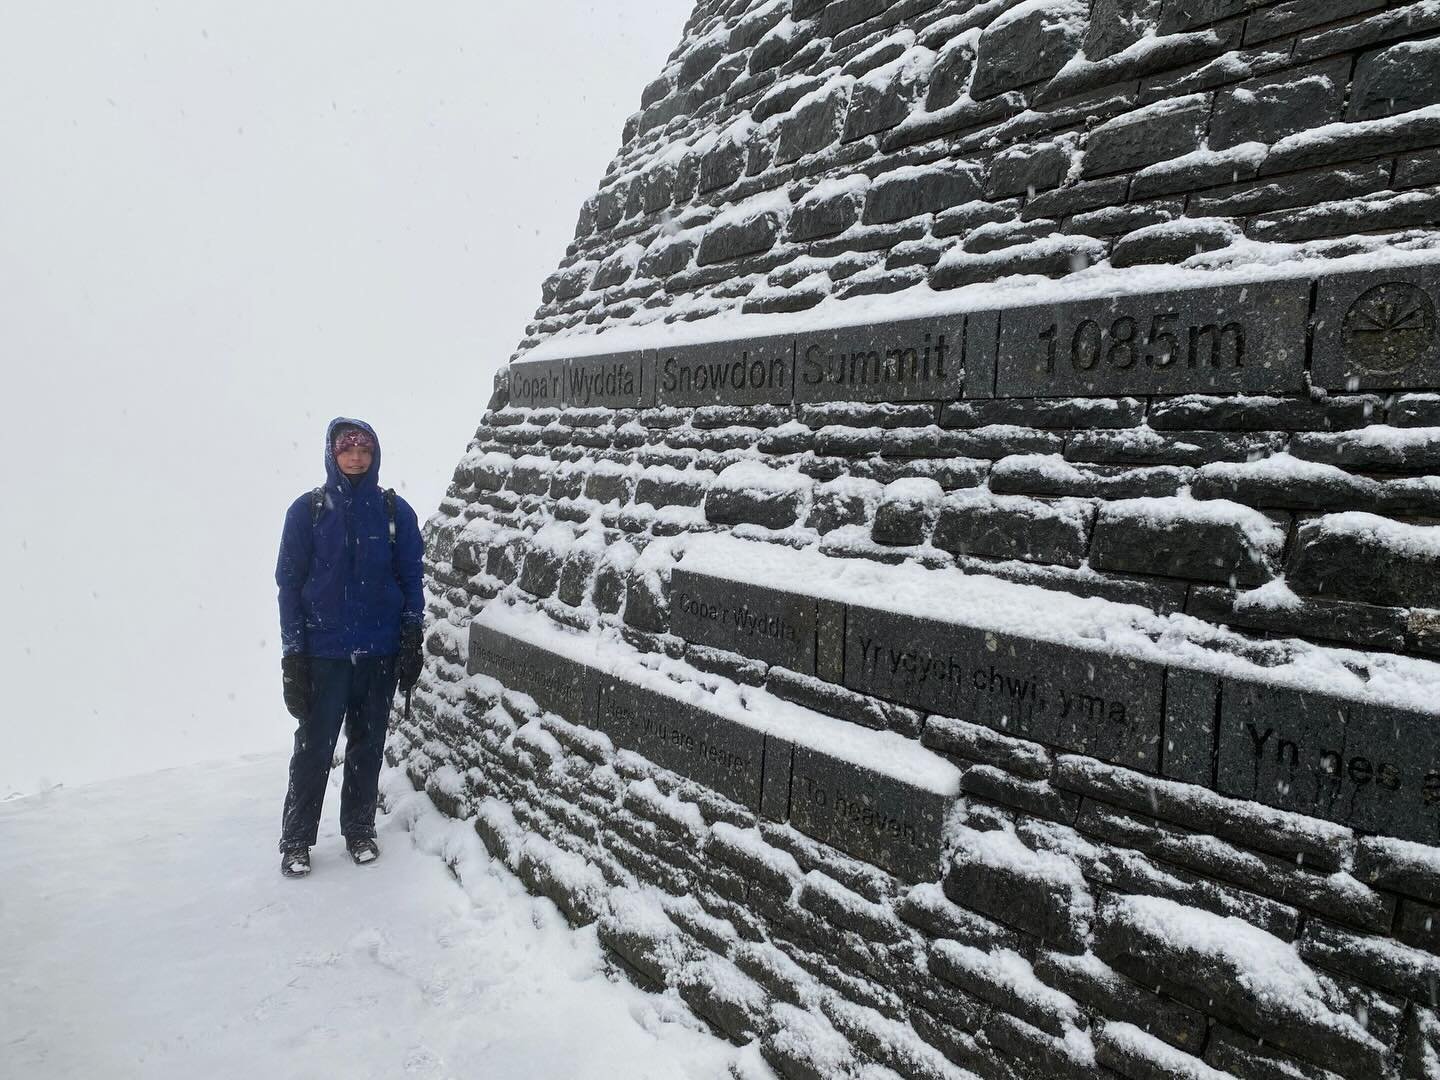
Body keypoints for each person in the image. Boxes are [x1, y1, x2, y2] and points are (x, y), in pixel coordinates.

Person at [274, 417, 424, 878]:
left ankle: (359, 829)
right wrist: (293, 655)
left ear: (375, 456)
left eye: (364, 450)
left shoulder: (395, 512)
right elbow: (288, 583)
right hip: (324, 653)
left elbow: (411, 577)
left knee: (368, 743)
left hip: (377, 652)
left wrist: (411, 635)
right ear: (332, 455)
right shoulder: (308, 511)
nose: (356, 458)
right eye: (347, 450)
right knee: (314, 747)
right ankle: (297, 840)